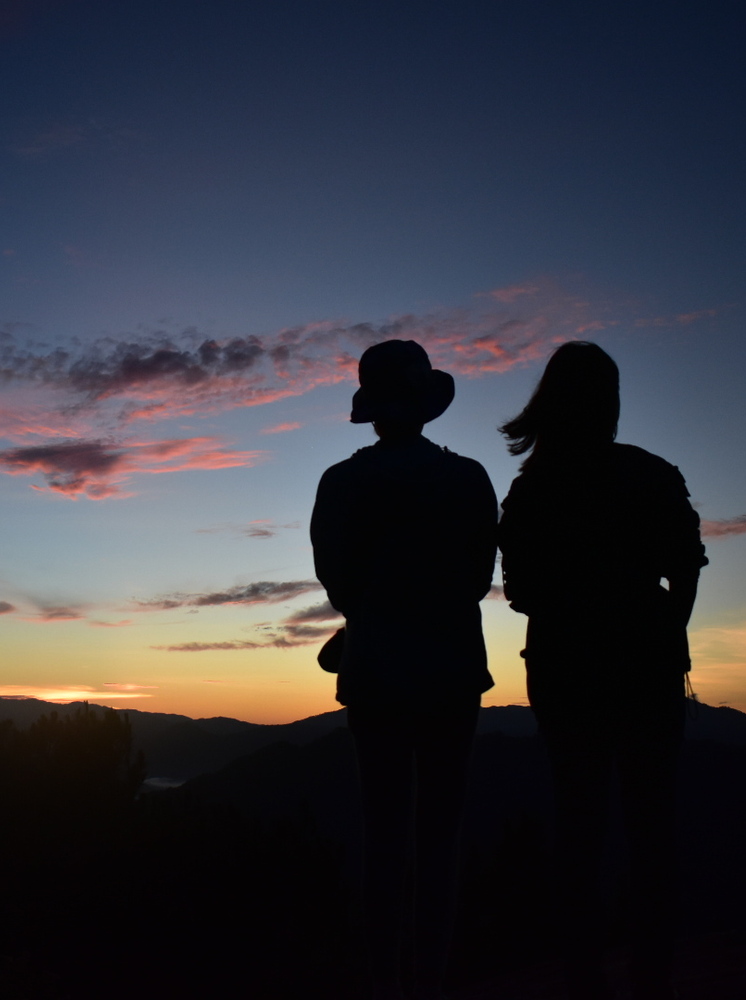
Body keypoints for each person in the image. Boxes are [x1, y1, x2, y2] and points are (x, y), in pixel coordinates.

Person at [496, 341, 706, 1000]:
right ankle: (652, 980)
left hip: (564, 668)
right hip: (648, 663)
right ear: (609, 402)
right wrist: (667, 629)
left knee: (578, 824)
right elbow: (686, 567)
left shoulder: (533, 490)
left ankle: (584, 979)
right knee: (653, 828)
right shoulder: (651, 473)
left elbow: (522, 593)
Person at [311, 339, 497, 1000]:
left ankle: (384, 981)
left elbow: (338, 583)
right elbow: (478, 578)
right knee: (440, 836)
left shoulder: (342, 482)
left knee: (383, 831)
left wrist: (379, 610)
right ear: (423, 405)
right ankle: (433, 980)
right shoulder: (469, 478)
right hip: (451, 670)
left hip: (377, 672)